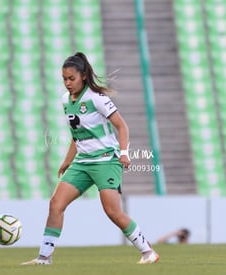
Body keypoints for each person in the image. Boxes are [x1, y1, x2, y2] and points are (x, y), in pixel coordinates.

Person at [22, 52, 159, 265]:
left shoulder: (97, 99)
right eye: (64, 79)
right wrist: (67, 161)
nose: (67, 83)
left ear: (83, 76)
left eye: (71, 79)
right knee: (56, 203)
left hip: (106, 160)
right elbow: (77, 136)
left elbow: (122, 126)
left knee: (112, 211)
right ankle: (44, 257)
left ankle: (148, 251)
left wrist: (124, 153)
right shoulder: (65, 101)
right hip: (82, 162)